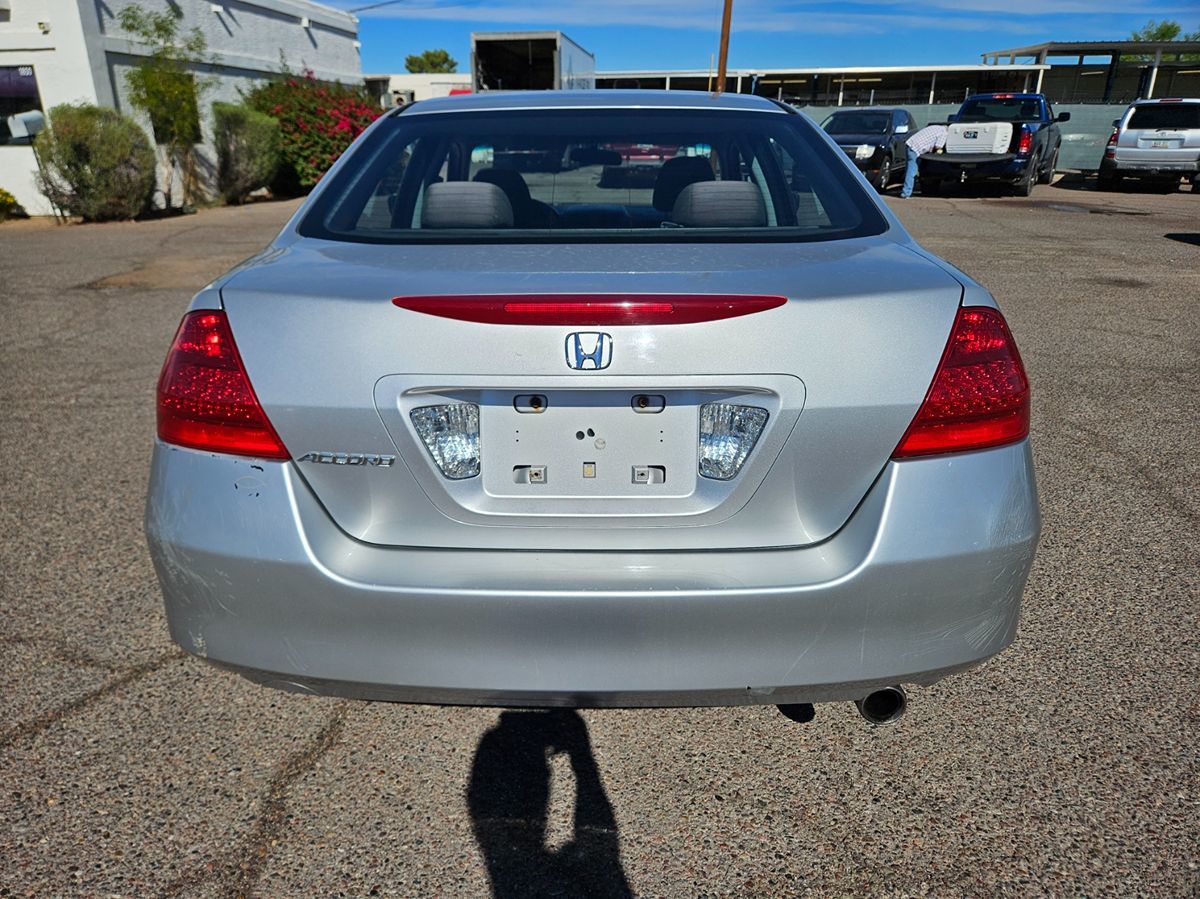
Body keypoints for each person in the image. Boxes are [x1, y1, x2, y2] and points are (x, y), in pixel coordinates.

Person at [899, 123, 949, 198]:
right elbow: (938, 147)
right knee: (912, 171)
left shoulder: (936, 127)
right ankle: (905, 193)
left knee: (909, 169)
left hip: (910, 144)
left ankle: (908, 191)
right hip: (916, 149)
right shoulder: (944, 133)